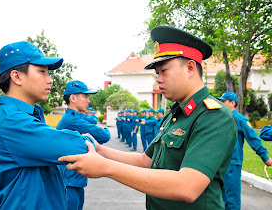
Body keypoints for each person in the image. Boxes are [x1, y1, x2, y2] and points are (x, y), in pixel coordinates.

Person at [59, 26, 238, 210]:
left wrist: (106, 168)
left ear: (190, 67)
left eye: (164, 71)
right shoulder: (176, 114)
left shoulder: (213, 116)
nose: (158, 79)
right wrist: (100, 151)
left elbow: (187, 186)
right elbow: (147, 160)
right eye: (157, 73)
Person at [0, 41, 96, 210]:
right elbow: (76, 146)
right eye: (42, 72)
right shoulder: (11, 121)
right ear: (17, 77)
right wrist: (87, 140)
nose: (50, 80)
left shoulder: (28, 114)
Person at [57, 80, 110, 210]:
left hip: (74, 179)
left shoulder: (75, 118)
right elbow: (105, 135)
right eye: (85, 96)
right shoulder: (72, 120)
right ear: (73, 98)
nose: (88, 100)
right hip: (69, 181)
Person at [217, 92, 272, 210]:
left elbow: (254, 139)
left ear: (232, 103)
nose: (221, 103)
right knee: (220, 198)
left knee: (232, 199)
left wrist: (265, 158)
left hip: (232, 164)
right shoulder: (219, 119)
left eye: (223, 101)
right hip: (218, 164)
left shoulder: (240, 119)